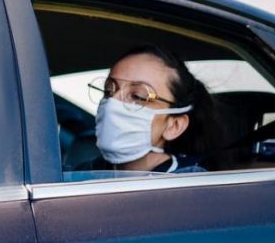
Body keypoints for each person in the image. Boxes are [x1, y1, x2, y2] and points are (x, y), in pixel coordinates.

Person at [79, 44, 218, 174]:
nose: (112, 102)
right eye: (109, 91)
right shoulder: (84, 173)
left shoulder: (189, 187)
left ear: (174, 126)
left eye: (138, 96)